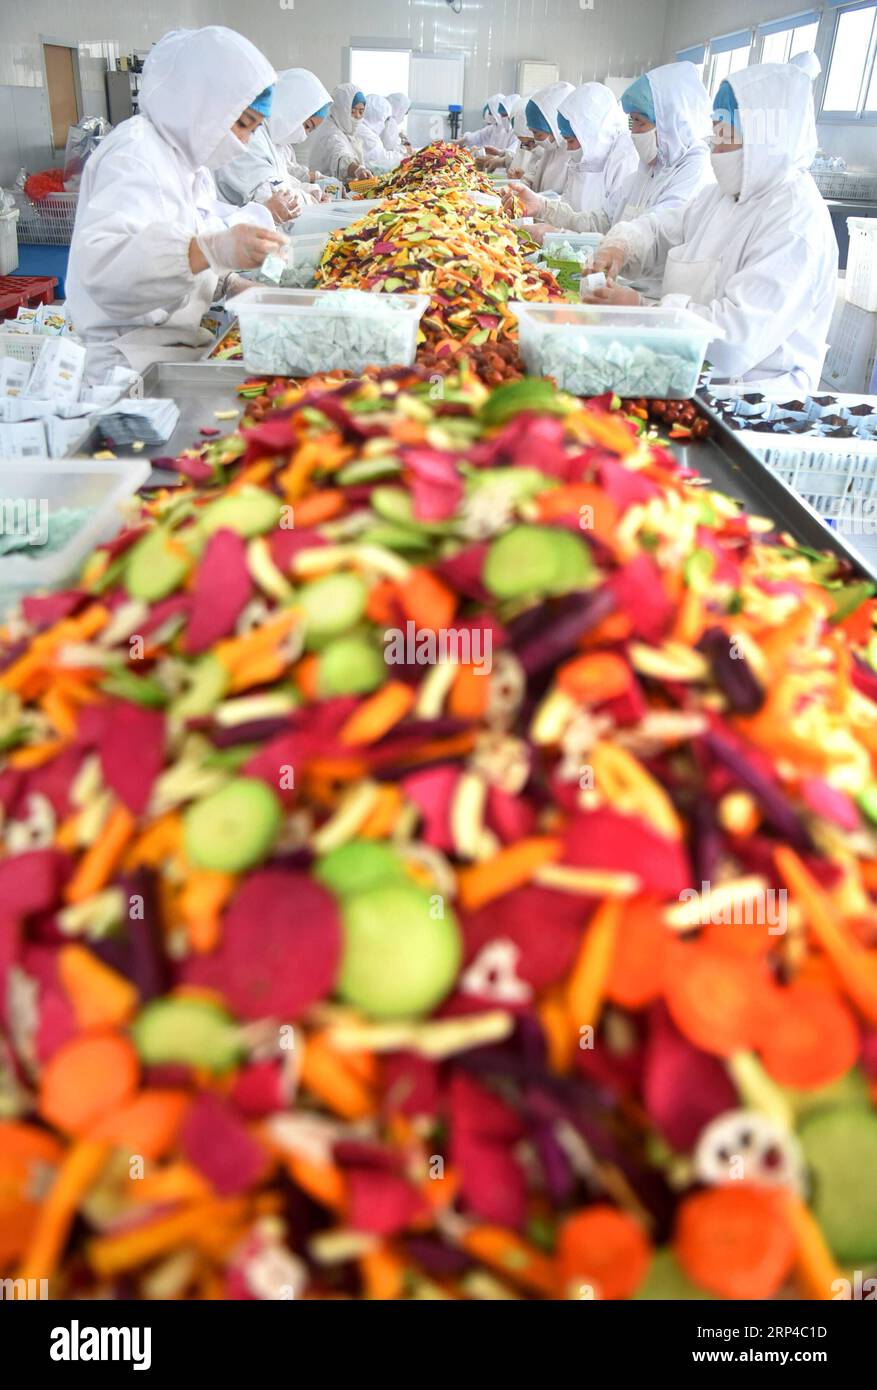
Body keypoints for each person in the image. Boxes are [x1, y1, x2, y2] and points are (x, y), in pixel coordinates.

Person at [585, 63, 838, 397]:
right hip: (689, 376)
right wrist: (622, 244)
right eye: (714, 134)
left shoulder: (795, 225)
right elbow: (665, 229)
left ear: (764, 140)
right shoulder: (723, 195)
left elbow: (734, 340)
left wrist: (644, 312)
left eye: (724, 137)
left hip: (752, 402)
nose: (714, 150)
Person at [66, 26, 285, 384]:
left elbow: (185, 256)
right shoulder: (134, 154)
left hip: (171, 351)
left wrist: (228, 283)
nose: (244, 142)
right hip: (127, 366)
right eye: (242, 125)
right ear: (201, 103)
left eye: (253, 129)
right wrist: (213, 249)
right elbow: (108, 271)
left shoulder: (189, 166)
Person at [214, 67, 333, 217]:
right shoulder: (252, 136)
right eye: (307, 126)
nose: (304, 136)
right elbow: (272, 195)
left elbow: (279, 179)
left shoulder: (273, 141)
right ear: (293, 110)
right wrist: (308, 199)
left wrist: (305, 188)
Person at [303, 84, 370, 182]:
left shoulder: (344, 130)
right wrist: (358, 170)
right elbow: (340, 156)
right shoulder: (330, 132)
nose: (357, 116)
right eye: (352, 111)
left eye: (361, 111)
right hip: (323, 190)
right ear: (341, 109)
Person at [525, 82, 575, 193]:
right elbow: (538, 172)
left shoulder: (573, 153)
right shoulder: (551, 149)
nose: (536, 140)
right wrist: (527, 181)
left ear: (553, 127)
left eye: (537, 133)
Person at [360, 95, 399, 172]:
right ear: (378, 117)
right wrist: (403, 156)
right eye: (385, 119)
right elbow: (382, 160)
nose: (384, 124)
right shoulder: (368, 136)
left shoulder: (360, 128)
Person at [383, 93, 411, 157]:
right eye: (404, 112)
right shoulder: (390, 123)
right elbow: (389, 147)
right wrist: (405, 150)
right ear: (400, 109)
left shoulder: (385, 119)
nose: (403, 116)